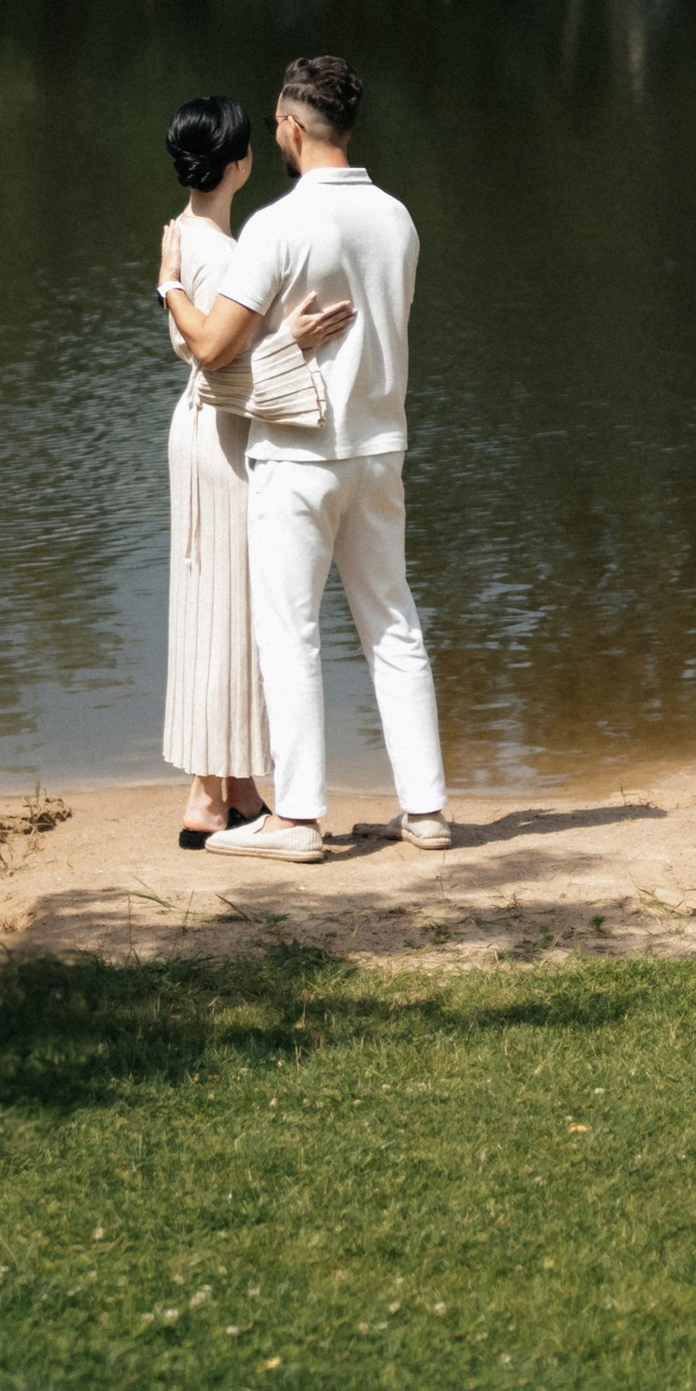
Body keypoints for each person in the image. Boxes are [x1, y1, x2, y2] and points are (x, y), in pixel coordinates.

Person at [156, 53, 450, 863]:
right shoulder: (398, 219)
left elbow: (213, 348)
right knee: (394, 625)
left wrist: (168, 287)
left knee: (289, 634)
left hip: (297, 455)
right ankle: (425, 810)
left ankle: (297, 817)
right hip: (380, 445)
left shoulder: (276, 225)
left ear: (288, 125)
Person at [154, 93, 348, 845]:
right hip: (222, 434)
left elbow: (203, 353)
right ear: (240, 163)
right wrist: (291, 341)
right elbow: (221, 365)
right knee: (230, 609)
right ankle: (212, 796)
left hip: (202, 429)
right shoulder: (222, 254)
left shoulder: (183, 236)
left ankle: (231, 790)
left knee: (219, 607)